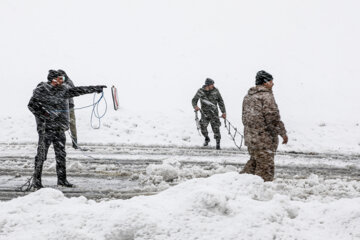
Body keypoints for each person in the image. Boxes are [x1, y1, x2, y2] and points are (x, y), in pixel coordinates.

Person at [28, 69, 107, 189]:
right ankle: (36, 181)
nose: (63, 81)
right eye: (60, 79)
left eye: (63, 79)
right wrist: (46, 114)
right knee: (41, 155)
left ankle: (62, 180)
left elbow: (78, 90)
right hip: (46, 129)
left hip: (59, 128)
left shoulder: (63, 90)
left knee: (61, 155)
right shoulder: (41, 90)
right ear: (53, 80)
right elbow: (32, 105)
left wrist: (95, 88)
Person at [240, 70, 288, 181]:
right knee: (265, 171)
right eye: (271, 81)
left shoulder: (248, 96)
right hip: (264, 139)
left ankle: (238, 183)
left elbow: (244, 118)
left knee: (254, 163)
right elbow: (272, 118)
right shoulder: (266, 96)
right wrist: (282, 133)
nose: (273, 83)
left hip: (251, 138)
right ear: (264, 82)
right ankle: (259, 193)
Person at [192, 78, 226, 150]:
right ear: (207, 85)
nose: (213, 86)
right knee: (203, 128)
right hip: (204, 114)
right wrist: (195, 106)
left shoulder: (216, 91)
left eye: (213, 84)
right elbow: (194, 100)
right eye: (211, 84)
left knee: (216, 128)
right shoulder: (200, 91)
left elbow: (220, 102)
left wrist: (223, 112)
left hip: (214, 114)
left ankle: (218, 143)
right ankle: (207, 138)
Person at [57, 69, 78, 149]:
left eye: (62, 77)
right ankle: (60, 143)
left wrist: (65, 85)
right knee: (61, 125)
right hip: (61, 107)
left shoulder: (68, 82)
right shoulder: (57, 82)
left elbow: (74, 90)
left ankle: (75, 143)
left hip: (70, 106)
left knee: (72, 125)